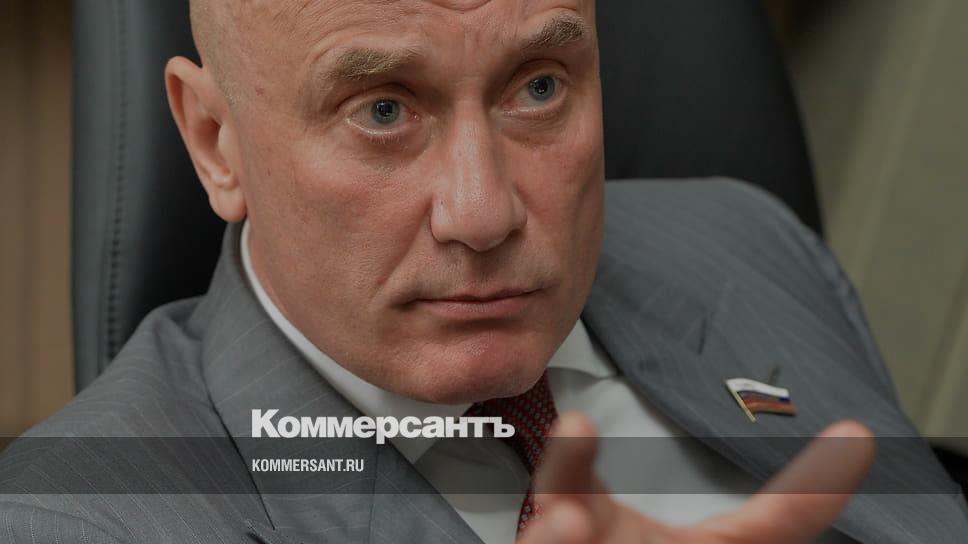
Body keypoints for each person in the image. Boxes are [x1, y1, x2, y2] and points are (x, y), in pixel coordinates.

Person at [1, 1, 965, 542]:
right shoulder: (78, 520)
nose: (483, 212)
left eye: (538, 88)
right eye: (383, 110)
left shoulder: (741, 237)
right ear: (217, 142)